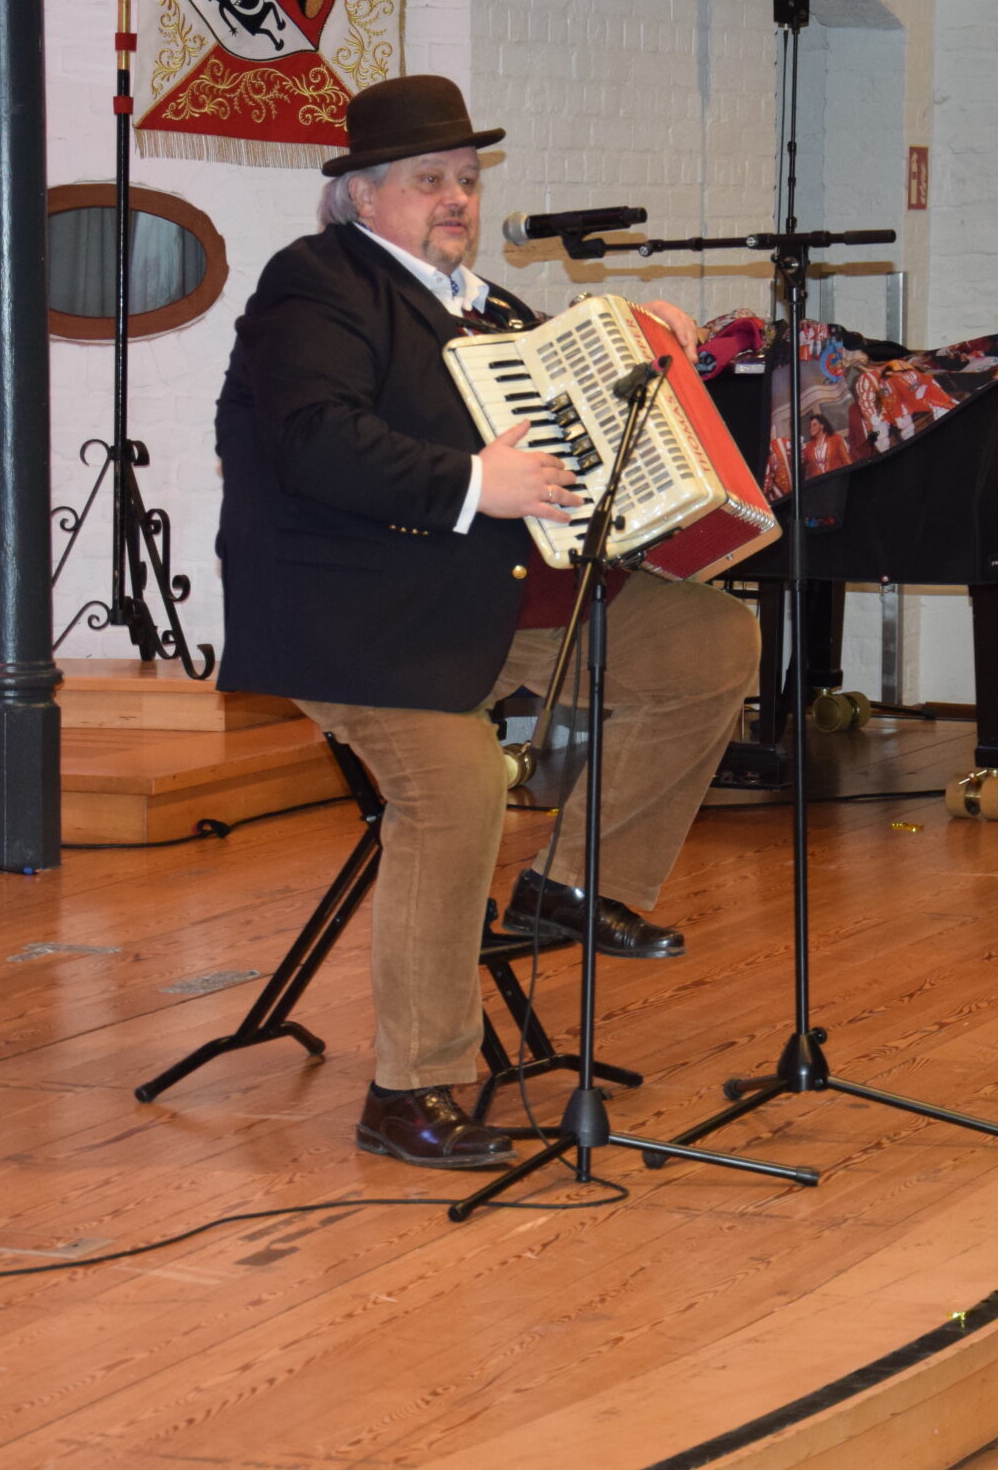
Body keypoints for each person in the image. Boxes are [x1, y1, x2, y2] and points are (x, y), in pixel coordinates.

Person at [214, 76, 760, 1168]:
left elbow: (572, 412)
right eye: (429, 180)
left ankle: (576, 884)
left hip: (488, 596)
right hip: (354, 615)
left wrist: (646, 350)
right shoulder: (313, 285)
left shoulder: (497, 312)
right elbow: (314, 442)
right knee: (457, 785)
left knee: (713, 641)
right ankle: (408, 1090)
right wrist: (476, 481)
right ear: (361, 195)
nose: (456, 198)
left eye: (465, 178)